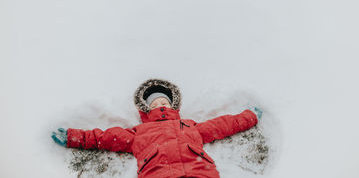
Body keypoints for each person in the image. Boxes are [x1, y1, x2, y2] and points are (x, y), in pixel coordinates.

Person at [52, 79, 262, 178]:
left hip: (199, 172)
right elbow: (104, 138)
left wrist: (249, 117)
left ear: (172, 105)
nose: (160, 105)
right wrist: (73, 137)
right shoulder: (138, 134)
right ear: (146, 109)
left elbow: (222, 125)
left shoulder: (189, 126)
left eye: (163, 102)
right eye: (154, 104)